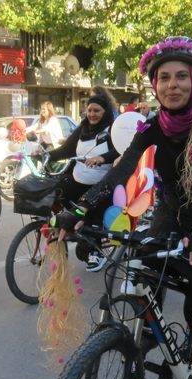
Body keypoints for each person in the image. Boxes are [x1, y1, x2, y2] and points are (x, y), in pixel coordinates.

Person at [54, 36, 192, 341]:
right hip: (174, 208)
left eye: (182, 76)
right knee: (144, 265)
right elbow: (124, 169)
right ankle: (142, 341)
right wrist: (82, 208)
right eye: (164, 78)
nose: (173, 85)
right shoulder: (151, 126)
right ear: (155, 85)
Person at [45, 94, 119, 271]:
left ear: (105, 111)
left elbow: (119, 152)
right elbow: (65, 149)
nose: (92, 114)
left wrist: (102, 157)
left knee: (91, 214)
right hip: (78, 179)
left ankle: (95, 251)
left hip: (101, 184)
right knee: (53, 191)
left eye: (97, 111)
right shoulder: (82, 129)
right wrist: (45, 155)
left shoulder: (112, 129)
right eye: (89, 111)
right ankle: (68, 226)